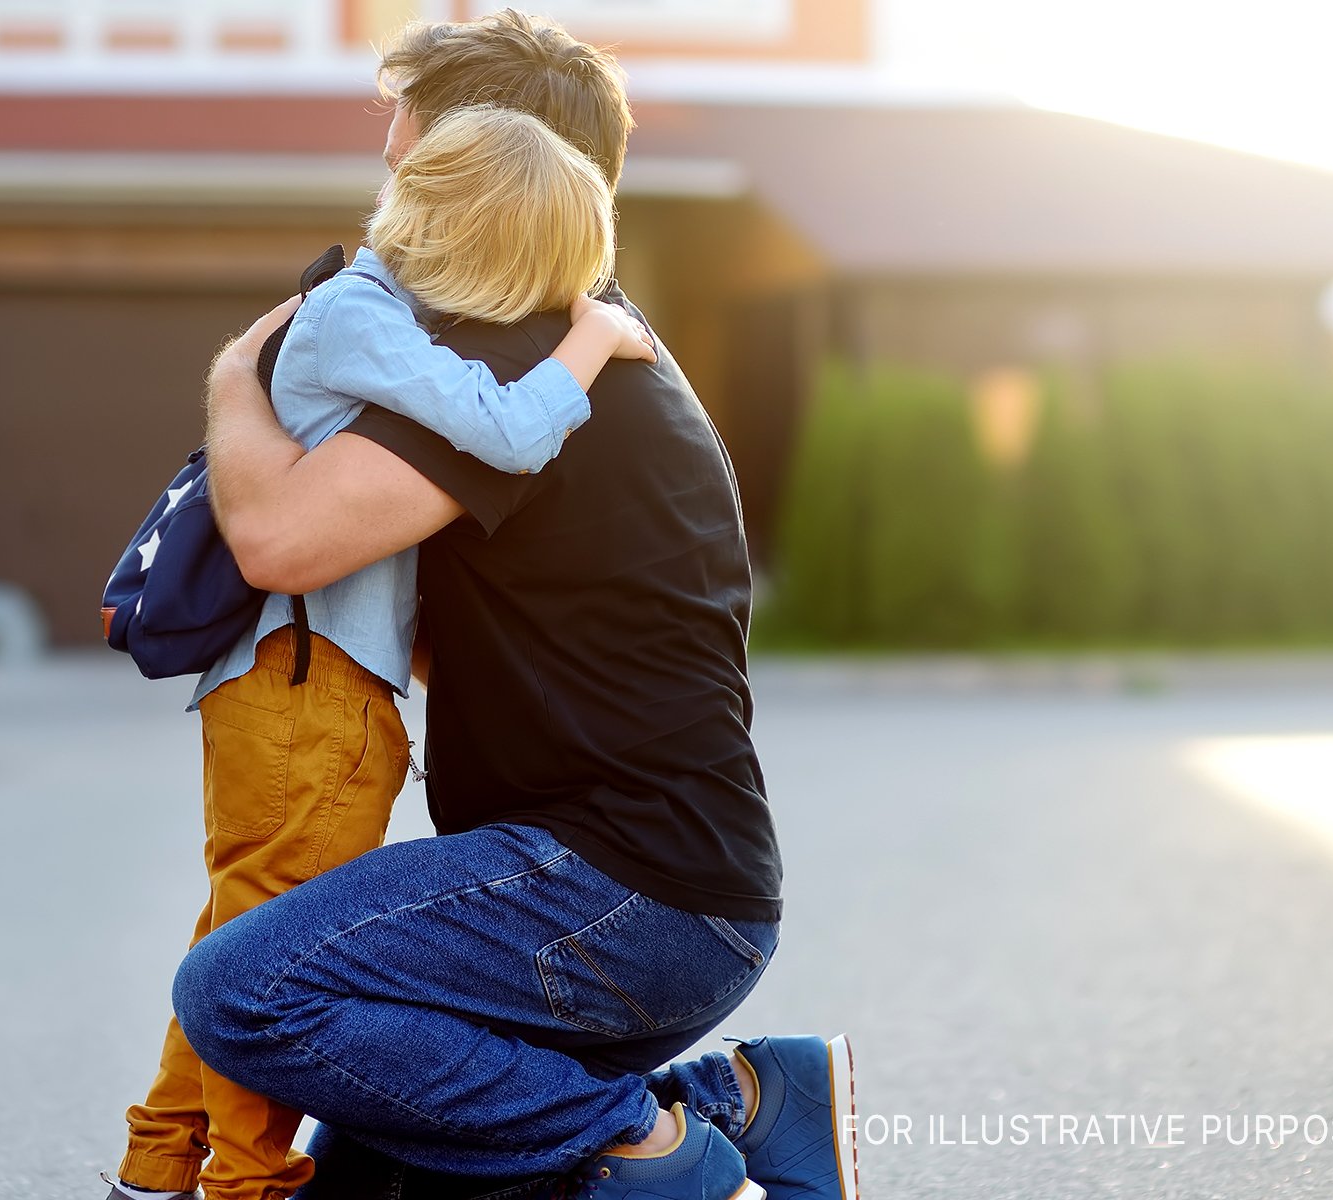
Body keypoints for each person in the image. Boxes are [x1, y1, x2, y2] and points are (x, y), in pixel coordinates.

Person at [165, 11, 857, 1200]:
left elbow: (279, 536)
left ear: (490, 155)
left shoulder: (511, 361)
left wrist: (235, 376)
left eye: (411, 126)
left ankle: (663, 1154)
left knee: (243, 991)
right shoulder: (580, 345)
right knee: (372, 1183)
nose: (391, 155)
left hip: (615, 894)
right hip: (663, 897)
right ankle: (752, 1100)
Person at [107, 96, 662, 1200]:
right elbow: (506, 429)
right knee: (268, 955)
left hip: (308, 687)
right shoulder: (363, 315)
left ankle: (159, 1166)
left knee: (243, 924)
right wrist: (595, 338)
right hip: (305, 689)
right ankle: (248, 1186)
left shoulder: (363, 315)